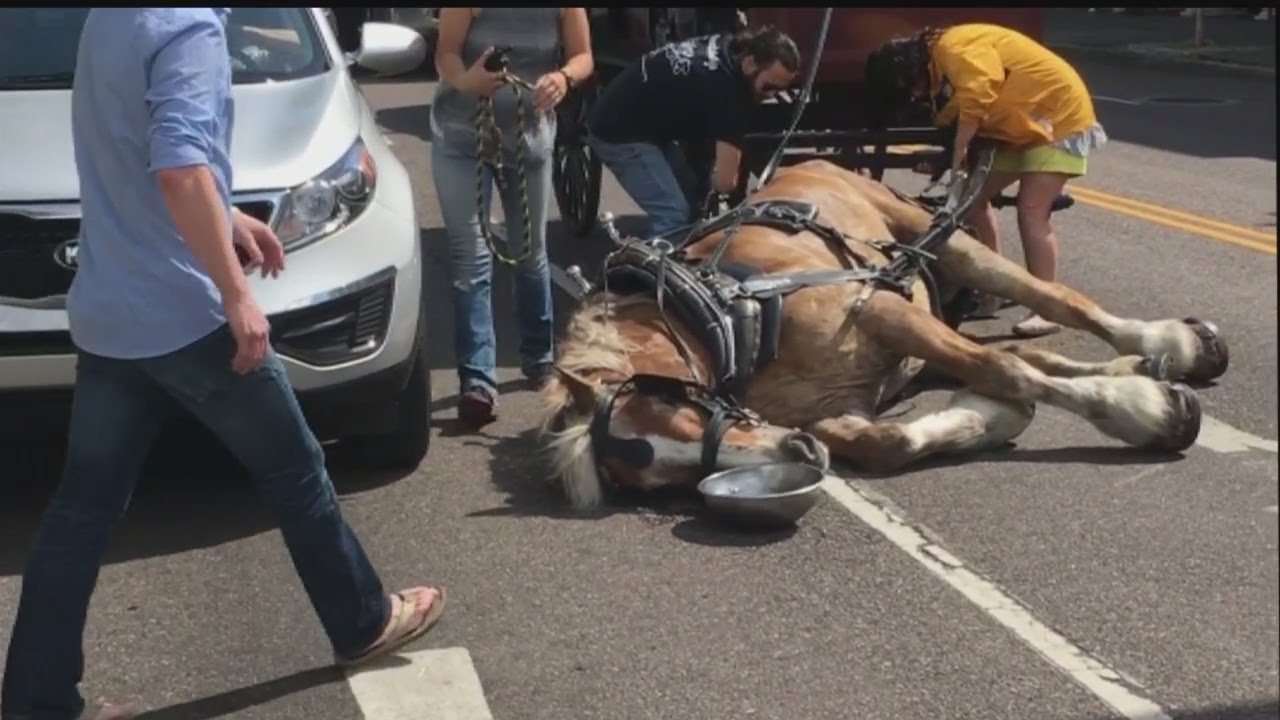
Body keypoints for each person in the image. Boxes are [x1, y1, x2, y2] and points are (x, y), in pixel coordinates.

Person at [0, 10, 445, 720]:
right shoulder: (189, 32)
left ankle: (35, 702)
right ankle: (362, 620)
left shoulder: (112, 19)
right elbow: (178, 170)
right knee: (295, 470)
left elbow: (140, 154)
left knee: (81, 510)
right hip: (185, 316)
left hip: (111, 314)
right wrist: (237, 296)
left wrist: (228, 216)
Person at [866, 23, 1108, 337]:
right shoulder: (940, 63)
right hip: (1019, 128)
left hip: (1055, 119)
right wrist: (947, 161)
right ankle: (992, 288)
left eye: (909, 86)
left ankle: (1049, 308)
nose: (914, 94)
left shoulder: (953, 47)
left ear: (909, 67)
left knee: (1032, 210)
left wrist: (958, 154)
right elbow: (958, 112)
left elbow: (980, 90)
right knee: (971, 202)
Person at [430, 8, 593, 429]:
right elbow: (445, 53)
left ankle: (539, 359)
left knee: (530, 252)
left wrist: (563, 79)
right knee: (471, 258)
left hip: (529, 139)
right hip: (461, 137)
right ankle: (478, 380)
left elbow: (583, 56)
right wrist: (467, 80)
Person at [586, 26, 801, 240]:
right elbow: (725, 183)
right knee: (674, 215)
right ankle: (652, 271)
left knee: (693, 204)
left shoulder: (730, 45)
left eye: (780, 91)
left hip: (648, 125)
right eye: (768, 87)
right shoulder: (727, 92)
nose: (771, 95)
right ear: (750, 63)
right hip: (620, 133)